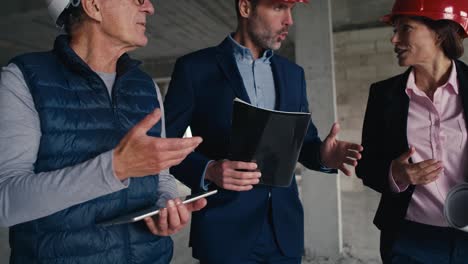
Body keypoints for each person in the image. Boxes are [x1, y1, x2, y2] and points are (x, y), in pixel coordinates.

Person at [0, 0, 207, 263]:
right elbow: (5, 201)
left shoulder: (146, 87)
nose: (149, 7)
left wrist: (164, 207)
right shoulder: (24, 79)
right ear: (93, 6)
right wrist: (115, 168)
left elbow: (161, 178)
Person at [163, 0, 363, 263]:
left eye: (291, 10)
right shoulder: (195, 69)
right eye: (279, 7)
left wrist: (323, 156)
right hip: (224, 230)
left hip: (283, 231)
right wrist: (209, 169)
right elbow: (164, 146)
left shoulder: (293, 74)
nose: (289, 20)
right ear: (245, 8)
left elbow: (303, 144)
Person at [355, 0, 468, 263]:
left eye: (405, 28)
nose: (394, 39)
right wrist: (395, 173)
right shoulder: (384, 95)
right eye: (394, 30)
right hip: (409, 240)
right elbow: (367, 166)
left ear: (440, 33)